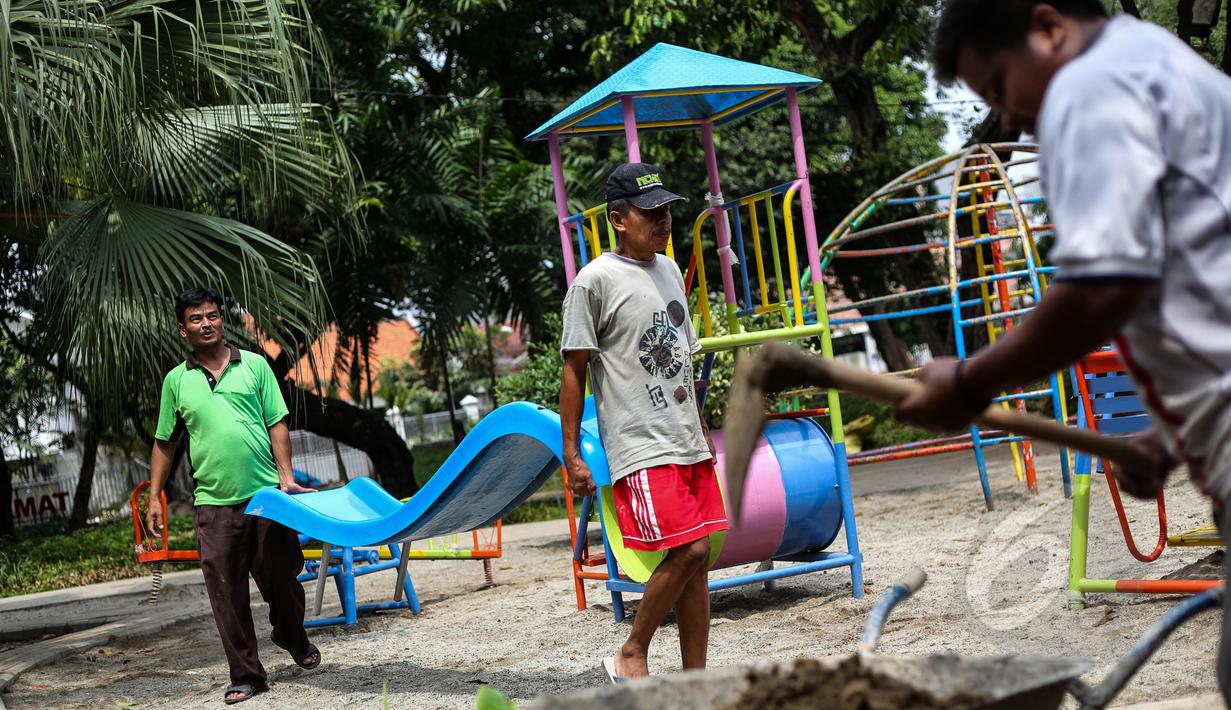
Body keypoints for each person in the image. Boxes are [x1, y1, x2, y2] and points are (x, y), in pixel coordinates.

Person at [895, 0, 1231, 702]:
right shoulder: (1157, 63)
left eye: (998, 87)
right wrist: (1170, 435)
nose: (1010, 121)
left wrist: (971, 382)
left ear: (1047, 27)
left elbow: (1102, 287)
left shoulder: (1090, 83)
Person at [559, 163, 728, 681]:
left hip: (685, 438)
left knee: (698, 565)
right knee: (690, 549)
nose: (663, 220)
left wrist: (700, 425)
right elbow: (574, 369)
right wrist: (571, 454)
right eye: (650, 212)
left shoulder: (670, 270)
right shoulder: (594, 282)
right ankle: (630, 652)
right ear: (618, 219)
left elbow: (682, 358)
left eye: (667, 210)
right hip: (641, 444)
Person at [146, 287, 320, 705]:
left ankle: (291, 634)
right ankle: (246, 675)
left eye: (212, 315)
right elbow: (165, 442)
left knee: (282, 575)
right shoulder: (176, 381)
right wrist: (154, 497)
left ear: (222, 320)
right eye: (195, 318)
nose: (205, 323)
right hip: (213, 503)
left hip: (266, 497)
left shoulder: (255, 365)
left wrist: (286, 478)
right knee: (226, 594)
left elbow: (277, 422)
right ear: (183, 329)